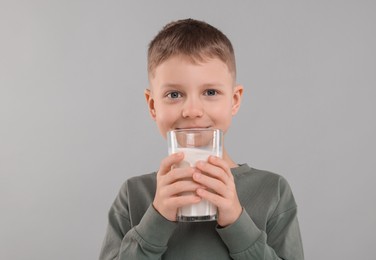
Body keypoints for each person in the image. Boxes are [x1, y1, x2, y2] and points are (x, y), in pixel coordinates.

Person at [99, 18, 304, 260]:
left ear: (234, 100)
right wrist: (158, 217)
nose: (192, 110)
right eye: (174, 94)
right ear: (153, 105)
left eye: (210, 92)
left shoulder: (272, 191)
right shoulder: (133, 195)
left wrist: (237, 221)